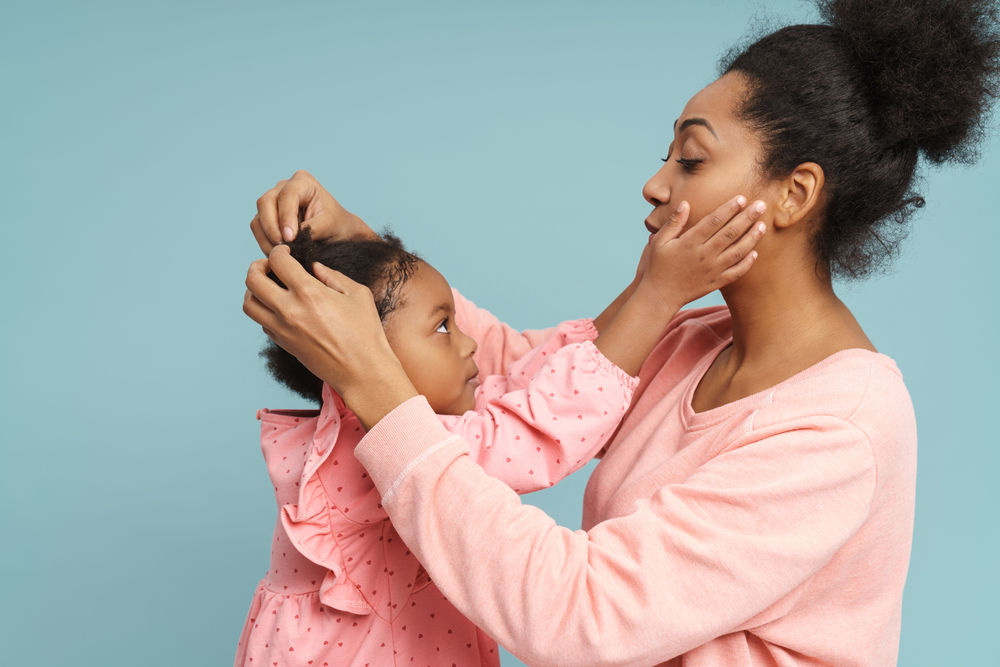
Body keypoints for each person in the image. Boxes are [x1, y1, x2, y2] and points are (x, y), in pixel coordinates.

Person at [243, 0, 1000, 664]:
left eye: (693, 157)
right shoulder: (689, 343)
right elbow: (516, 377)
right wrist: (364, 260)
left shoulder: (841, 427)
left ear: (795, 193)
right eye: (665, 153)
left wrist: (377, 386)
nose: (657, 181)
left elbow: (580, 614)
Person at [235, 223, 764, 667]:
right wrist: (657, 297)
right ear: (355, 349)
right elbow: (537, 431)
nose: (469, 343)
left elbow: (522, 383)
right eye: (442, 326)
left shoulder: (399, 424)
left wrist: (649, 283)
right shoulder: (362, 448)